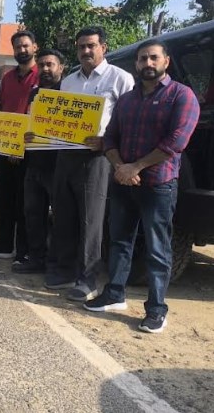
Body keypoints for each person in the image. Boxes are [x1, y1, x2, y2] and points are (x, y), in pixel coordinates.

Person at [84, 39, 199, 334]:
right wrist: (120, 167)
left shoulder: (181, 95)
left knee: (157, 248)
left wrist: (135, 167)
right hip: (124, 182)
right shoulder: (127, 100)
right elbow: (111, 138)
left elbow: (176, 142)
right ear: (136, 64)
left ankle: (156, 310)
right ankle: (114, 294)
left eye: (153, 58)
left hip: (158, 185)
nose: (148, 63)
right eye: (142, 59)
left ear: (166, 61)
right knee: (120, 241)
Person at [44, 26, 135, 302]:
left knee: (90, 220)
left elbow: (130, 120)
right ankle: (65, 270)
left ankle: (88, 280)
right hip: (65, 154)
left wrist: (106, 141)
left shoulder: (120, 78)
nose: (85, 51)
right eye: (81, 46)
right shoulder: (69, 81)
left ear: (103, 47)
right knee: (64, 214)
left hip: (97, 157)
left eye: (91, 46)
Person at [0, 30, 38, 263]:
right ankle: (3, 244)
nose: (21, 50)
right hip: (4, 146)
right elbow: (1, 106)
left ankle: (23, 251)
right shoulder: (7, 78)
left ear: (34, 47)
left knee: (25, 203)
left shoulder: (41, 76)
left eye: (25, 46)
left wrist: (19, 147)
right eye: (17, 47)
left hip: (29, 150)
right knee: (2, 199)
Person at [12, 49, 66, 275]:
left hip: (58, 165)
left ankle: (58, 263)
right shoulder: (35, 93)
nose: (45, 69)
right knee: (33, 214)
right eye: (41, 65)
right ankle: (36, 259)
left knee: (61, 217)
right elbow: (29, 122)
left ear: (61, 67)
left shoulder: (69, 92)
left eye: (50, 64)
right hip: (34, 162)